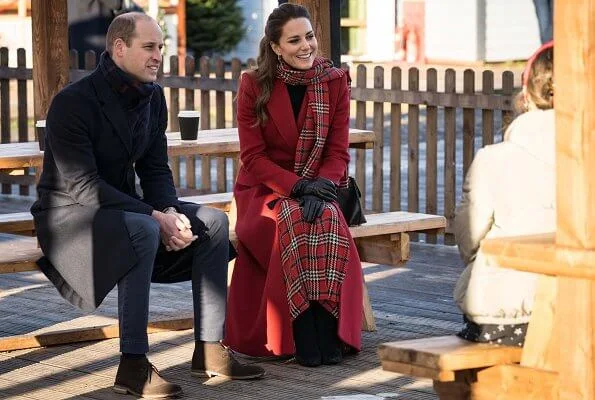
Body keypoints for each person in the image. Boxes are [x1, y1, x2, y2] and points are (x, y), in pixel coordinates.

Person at [31, 12, 264, 399]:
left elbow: (155, 168)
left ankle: (209, 348)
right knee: (143, 227)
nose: (159, 56)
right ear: (119, 48)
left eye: (161, 47)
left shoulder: (153, 97)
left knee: (213, 223)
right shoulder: (73, 102)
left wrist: (169, 211)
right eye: (150, 47)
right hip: (69, 219)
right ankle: (133, 366)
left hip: (123, 212)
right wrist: (154, 217)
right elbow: (82, 186)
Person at [223, 3, 363, 367]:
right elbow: (253, 158)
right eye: (295, 39)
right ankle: (301, 329)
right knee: (290, 220)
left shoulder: (334, 82)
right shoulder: (253, 85)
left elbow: (337, 152)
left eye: (310, 36)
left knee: (328, 220)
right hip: (264, 189)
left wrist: (321, 187)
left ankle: (326, 327)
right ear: (275, 46)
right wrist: (299, 188)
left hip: (322, 185)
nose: (307, 46)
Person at [453, 41, 554, 347]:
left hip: (504, 314)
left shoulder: (493, 158)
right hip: (578, 307)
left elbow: (469, 238)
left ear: (526, 96)